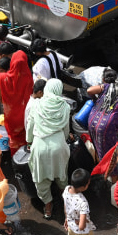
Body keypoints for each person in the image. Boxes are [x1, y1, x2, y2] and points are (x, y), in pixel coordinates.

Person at [26, 78, 71, 220]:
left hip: (40, 146)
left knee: (41, 178)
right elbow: (65, 131)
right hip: (59, 145)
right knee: (61, 173)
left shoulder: (36, 105)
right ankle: (67, 200)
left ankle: (48, 205)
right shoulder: (65, 106)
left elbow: (30, 126)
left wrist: (29, 142)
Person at [0, 48, 34, 154]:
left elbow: (0, 97)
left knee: (13, 135)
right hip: (25, 112)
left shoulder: (3, 77)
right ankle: (27, 153)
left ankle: (15, 155)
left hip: (11, 114)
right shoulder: (28, 77)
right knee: (26, 132)